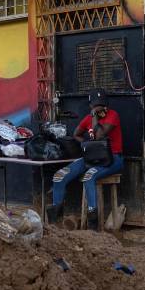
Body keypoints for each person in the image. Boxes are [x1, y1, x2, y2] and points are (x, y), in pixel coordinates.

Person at [47, 90, 124, 225]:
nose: (99, 108)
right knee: (59, 176)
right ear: (90, 106)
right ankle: (55, 220)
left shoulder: (113, 115)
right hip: (92, 157)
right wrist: (85, 144)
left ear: (106, 105)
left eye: (102, 105)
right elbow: (76, 133)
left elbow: (99, 135)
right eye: (95, 105)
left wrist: (95, 116)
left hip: (113, 158)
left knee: (89, 176)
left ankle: (92, 221)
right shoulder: (87, 119)